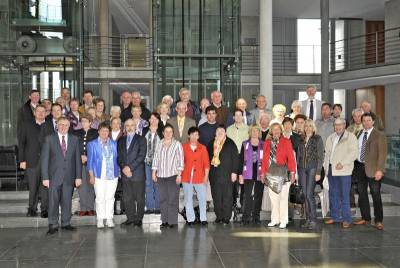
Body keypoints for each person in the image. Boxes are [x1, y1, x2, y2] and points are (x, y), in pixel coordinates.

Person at [41, 117, 82, 235]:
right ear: (57, 126)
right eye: (61, 125)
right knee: (53, 202)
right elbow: (44, 160)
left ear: (69, 126)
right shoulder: (49, 139)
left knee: (67, 201)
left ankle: (65, 223)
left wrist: (78, 176)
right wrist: (45, 177)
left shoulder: (74, 139)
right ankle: (53, 224)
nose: (63, 127)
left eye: (66, 125)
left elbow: (77, 160)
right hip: (53, 177)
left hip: (69, 177)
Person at [353, 113, 387, 230]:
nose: (366, 122)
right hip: (359, 168)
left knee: (376, 194)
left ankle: (378, 220)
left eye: (368, 120)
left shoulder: (379, 135)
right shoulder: (359, 133)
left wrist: (380, 170)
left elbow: (382, 154)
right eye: (364, 120)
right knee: (362, 194)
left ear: (373, 121)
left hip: (374, 169)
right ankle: (365, 218)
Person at [324, 118, 358, 228]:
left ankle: (346, 219)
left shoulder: (351, 137)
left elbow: (354, 153)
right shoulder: (331, 137)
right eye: (336, 125)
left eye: (340, 125)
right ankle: (334, 217)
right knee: (333, 194)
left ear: (344, 125)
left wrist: (342, 163)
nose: (337, 127)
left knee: (344, 196)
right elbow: (327, 154)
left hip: (344, 170)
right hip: (331, 170)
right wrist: (325, 168)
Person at [261, 123, 296, 229]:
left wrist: (293, 173)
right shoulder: (267, 143)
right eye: (274, 130)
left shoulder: (286, 141)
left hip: (283, 173)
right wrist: (263, 174)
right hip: (270, 173)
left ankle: (283, 220)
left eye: (278, 129)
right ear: (271, 131)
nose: (276, 131)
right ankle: (275, 219)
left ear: (281, 131)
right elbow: (264, 160)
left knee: (283, 198)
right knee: (273, 198)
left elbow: (291, 158)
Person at [87, 122, 120, 229]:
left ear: (109, 132)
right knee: (100, 197)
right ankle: (100, 219)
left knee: (110, 197)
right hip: (98, 175)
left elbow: (117, 159)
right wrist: (91, 176)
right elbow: (90, 162)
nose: (105, 133)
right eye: (102, 131)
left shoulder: (114, 144)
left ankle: (109, 218)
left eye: (106, 131)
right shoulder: (92, 144)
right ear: (98, 132)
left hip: (112, 175)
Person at [152, 124, 184, 228]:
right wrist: (154, 172)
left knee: (172, 199)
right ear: (163, 133)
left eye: (170, 132)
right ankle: (164, 221)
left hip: (173, 175)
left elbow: (180, 160)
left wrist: (179, 175)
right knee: (163, 199)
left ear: (173, 133)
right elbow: (156, 158)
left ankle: (172, 221)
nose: (168, 134)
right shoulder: (159, 143)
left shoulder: (177, 144)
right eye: (166, 132)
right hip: (161, 176)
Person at [18, 104, 48, 217]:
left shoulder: (49, 125)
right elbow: (21, 143)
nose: (40, 113)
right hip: (31, 160)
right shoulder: (26, 125)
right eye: (38, 111)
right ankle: (32, 209)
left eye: (43, 111)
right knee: (33, 186)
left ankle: (45, 209)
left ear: (46, 113)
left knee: (45, 186)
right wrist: (22, 160)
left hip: (46, 161)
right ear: (34, 113)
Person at [118, 119, 147, 227]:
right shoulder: (121, 140)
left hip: (137, 174)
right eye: (127, 125)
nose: (130, 127)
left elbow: (141, 156)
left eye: (132, 125)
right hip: (125, 174)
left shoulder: (141, 139)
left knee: (139, 198)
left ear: (135, 127)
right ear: (125, 127)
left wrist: (130, 168)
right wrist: (124, 168)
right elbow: (119, 157)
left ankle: (139, 219)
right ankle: (130, 218)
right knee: (127, 198)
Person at [207, 126, 239, 224]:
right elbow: (207, 159)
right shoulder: (211, 143)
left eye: (222, 131)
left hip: (227, 174)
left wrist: (234, 172)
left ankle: (226, 217)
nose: (220, 132)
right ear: (215, 133)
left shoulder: (230, 143)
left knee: (227, 197)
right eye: (218, 131)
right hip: (214, 175)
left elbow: (235, 158)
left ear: (225, 133)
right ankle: (219, 216)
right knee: (216, 196)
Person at [296, 119, 324, 229]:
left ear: (313, 128)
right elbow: (298, 155)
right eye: (306, 126)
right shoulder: (301, 139)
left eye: (310, 126)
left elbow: (321, 156)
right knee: (305, 194)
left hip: (313, 168)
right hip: (302, 169)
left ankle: (313, 220)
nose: (308, 128)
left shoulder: (317, 138)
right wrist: (298, 170)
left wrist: (318, 172)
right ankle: (307, 219)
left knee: (309, 194)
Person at [182, 127, 210, 226]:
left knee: (202, 198)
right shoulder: (183, 147)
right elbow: (181, 162)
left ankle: (203, 218)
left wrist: (206, 176)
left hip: (200, 176)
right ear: (189, 135)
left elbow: (206, 164)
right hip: (186, 176)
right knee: (188, 198)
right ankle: (191, 219)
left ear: (198, 136)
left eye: (196, 135)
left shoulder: (203, 148)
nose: (194, 137)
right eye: (192, 134)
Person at [238, 126, 265, 224]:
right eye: (253, 131)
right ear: (250, 132)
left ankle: (256, 217)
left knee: (258, 195)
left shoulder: (264, 144)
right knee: (247, 195)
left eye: (257, 131)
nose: (254, 132)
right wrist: (240, 174)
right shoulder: (245, 144)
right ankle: (246, 217)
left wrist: (265, 173)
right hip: (247, 173)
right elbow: (240, 159)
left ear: (259, 133)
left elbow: (266, 160)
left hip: (260, 174)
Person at [75, 114, 98, 216]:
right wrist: (80, 156)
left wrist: (88, 157)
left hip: (92, 162)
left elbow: (97, 147)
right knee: (82, 186)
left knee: (91, 185)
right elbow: (74, 147)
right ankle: (83, 208)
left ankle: (90, 208)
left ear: (90, 122)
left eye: (86, 121)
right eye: (82, 121)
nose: (84, 123)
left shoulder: (96, 133)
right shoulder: (76, 133)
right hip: (79, 163)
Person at [227, 109, 250, 208]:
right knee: (232, 181)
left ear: (243, 116)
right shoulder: (228, 129)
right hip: (231, 158)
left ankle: (243, 203)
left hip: (244, 157)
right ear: (233, 117)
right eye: (236, 115)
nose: (238, 117)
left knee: (243, 181)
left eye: (240, 115)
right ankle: (233, 203)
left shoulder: (248, 129)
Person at [144, 113, 163, 214]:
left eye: (156, 118)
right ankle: (150, 207)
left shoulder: (162, 132)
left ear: (158, 120)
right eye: (151, 118)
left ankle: (158, 207)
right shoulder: (144, 131)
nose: (154, 120)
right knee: (148, 184)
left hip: (159, 163)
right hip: (147, 162)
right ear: (149, 120)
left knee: (157, 184)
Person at [347, 108, 364, 207]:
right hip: (351, 160)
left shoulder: (366, 127)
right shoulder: (349, 129)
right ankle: (351, 202)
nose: (357, 118)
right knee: (349, 182)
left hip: (362, 160)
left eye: (359, 116)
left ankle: (362, 204)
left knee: (361, 184)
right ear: (353, 117)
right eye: (355, 116)